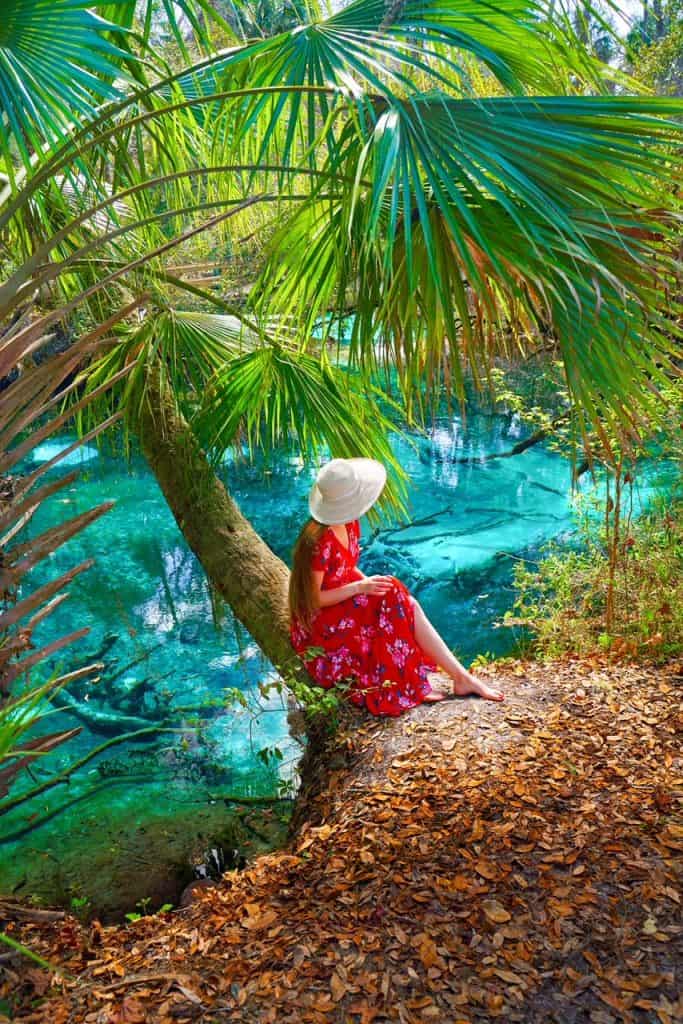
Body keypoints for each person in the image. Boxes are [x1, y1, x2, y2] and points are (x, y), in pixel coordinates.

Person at [289, 458, 504, 717]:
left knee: (398, 597)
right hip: (321, 622)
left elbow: (346, 567)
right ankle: (443, 680)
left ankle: (458, 676)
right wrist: (360, 587)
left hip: (343, 602)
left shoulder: (349, 523)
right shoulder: (318, 542)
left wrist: (370, 585)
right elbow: (313, 600)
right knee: (395, 599)